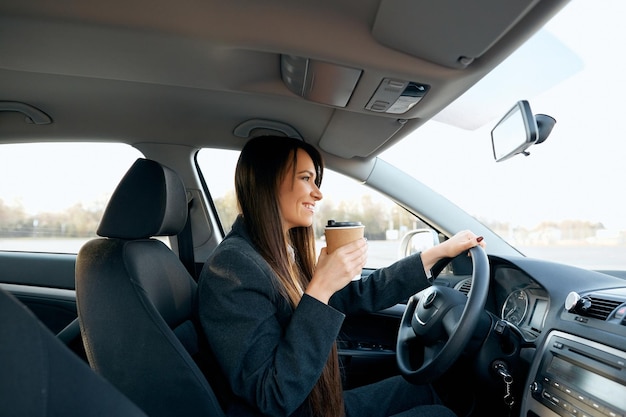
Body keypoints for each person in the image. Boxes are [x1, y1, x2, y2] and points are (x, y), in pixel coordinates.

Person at [197, 135, 486, 417]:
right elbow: (273, 395)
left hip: (315, 405)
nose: (318, 193)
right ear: (267, 181)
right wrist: (320, 289)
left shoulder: (273, 255)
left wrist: (439, 253)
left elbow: (358, 295)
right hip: (297, 407)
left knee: (421, 389)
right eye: (305, 178)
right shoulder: (233, 266)